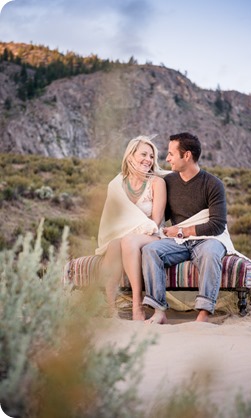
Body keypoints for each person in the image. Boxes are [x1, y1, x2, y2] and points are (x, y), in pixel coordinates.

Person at [142, 131, 235, 324]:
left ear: (187, 155)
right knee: (151, 251)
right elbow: (163, 215)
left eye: (171, 154)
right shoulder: (168, 182)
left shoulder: (213, 184)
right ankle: (159, 311)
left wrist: (183, 231)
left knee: (210, 253)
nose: (167, 159)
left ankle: (203, 315)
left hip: (208, 239)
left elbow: (217, 225)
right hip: (179, 242)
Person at [94, 135, 167, 320]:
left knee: (128, 240)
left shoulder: (157, 183)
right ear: (131, 155)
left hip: (151, 234)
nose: (148, 160)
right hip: (124, 236)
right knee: (114, 245)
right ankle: (110, 306)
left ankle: (137, 305)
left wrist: (134, 225)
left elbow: (156, 222)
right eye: (144, 154)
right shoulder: (117, 184)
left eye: (152, 156)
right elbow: (112, 220)